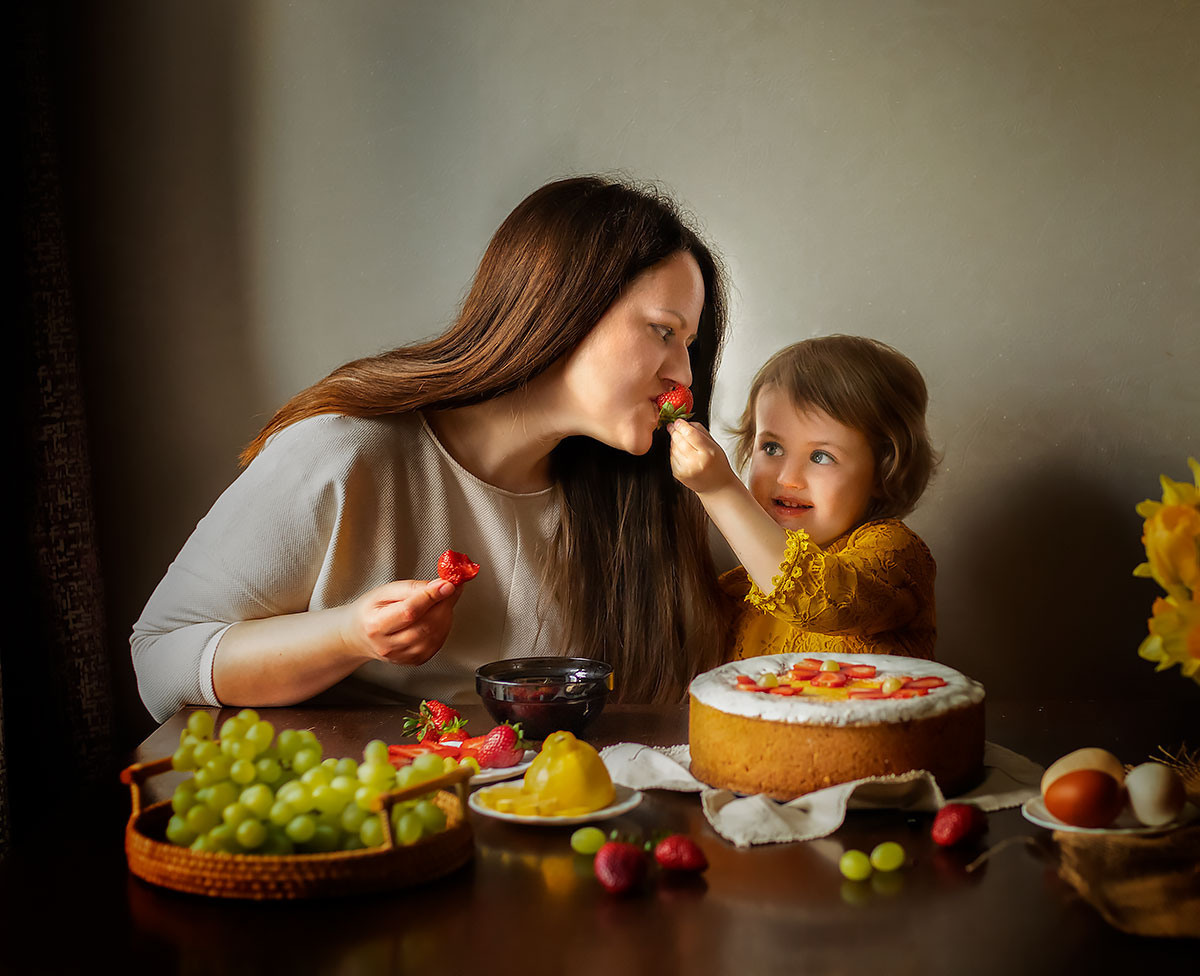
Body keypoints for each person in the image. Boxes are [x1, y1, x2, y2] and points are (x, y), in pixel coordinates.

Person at [131, 176, 731, 724]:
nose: (683, 374)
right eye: (662, 330)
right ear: (568, 306)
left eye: (689, 344)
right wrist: (348, 635)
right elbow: (158, 660)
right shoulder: (344, 452)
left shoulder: (645, 499)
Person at [667, 334, 938, 661]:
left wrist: (719, 490)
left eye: (821, 456)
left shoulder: (894, 553)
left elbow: (821, 599)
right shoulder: (738, 590)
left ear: (882, 472)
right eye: (772, 448)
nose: (788, 479)